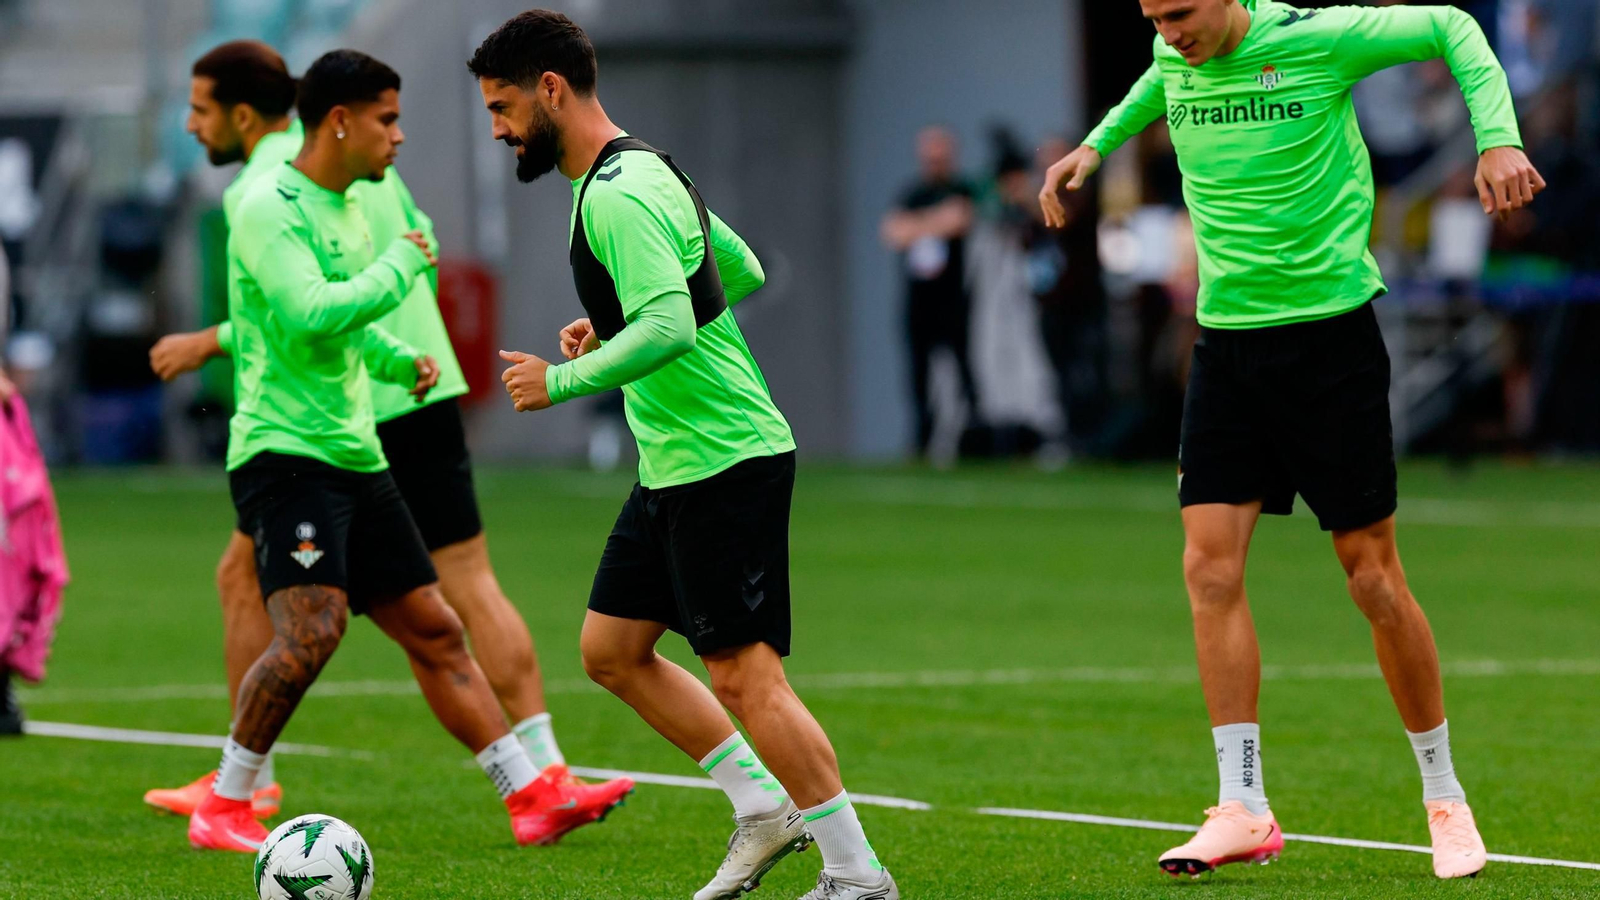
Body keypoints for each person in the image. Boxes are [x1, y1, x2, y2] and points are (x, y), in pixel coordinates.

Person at [1040, 0, 1544, 880]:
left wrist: (1495, 136)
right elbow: (1157, 84)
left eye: (1182, 14)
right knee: (1208, 568)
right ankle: (1243, 806)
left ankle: (1444, 796)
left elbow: (1457, 28)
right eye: (1153, 17)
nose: (1170, 35)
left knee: (1372, 578)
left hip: (1330, 344)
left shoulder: (1319, 39)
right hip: (1227, 349)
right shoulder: (1178, 58)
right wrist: (1095, 144)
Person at [147, 41, 631, 843]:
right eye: (388, 121)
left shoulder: (342, 203)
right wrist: (403, 270)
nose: (399, 138)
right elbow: (305, 314)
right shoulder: (269, 203)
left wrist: (396, 358)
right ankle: (229, 800)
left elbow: (334, 327)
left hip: (356, 453)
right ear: (340, 122)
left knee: (436, 627)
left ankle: (530, 796)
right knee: (314, 627)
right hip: (286, 455)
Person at [469, 11, 899, 900]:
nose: (501, 129)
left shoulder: (619, 194)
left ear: (552, 89)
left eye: (504, 108)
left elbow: (671, 318)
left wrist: (564, 378)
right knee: (611, 650)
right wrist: (624, 321)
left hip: (723, 458)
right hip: (675, 463)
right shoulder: (649, 166)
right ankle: (762, 809)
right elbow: (734, 270)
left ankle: (857, 874)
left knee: (746, 677)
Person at [880, 126, 980, 456]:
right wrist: (935, 220)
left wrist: (916, 225)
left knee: (964, 370)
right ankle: (922, 439)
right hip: (918, 301)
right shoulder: (912, 193)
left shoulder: (962, 188)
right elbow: (893, 234)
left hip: (952, 299)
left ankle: (973, 437)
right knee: (918, 374)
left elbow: (960, 219)